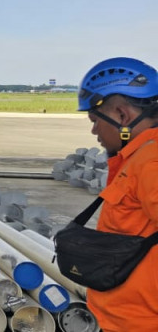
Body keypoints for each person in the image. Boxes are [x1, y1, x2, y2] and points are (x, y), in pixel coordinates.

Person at [75, 57, 158, 331]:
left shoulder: (151, 162)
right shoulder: (138, 158)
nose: (94, 130)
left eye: (95, 120)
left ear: (122, 116)